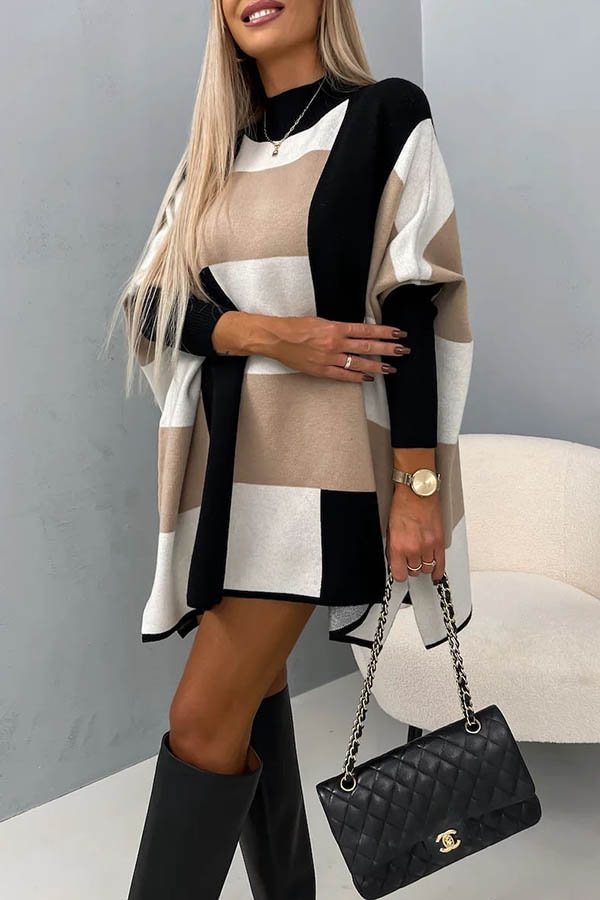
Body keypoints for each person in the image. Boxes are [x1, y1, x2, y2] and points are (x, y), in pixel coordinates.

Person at [104, 1, 474, 897]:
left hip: (326, 474)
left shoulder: (384, 113)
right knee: (253, 703)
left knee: (201, 722)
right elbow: (148, 305)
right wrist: (270, 334)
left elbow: (415, 304)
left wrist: (418, 487)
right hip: (229, 476)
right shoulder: (212, 154)